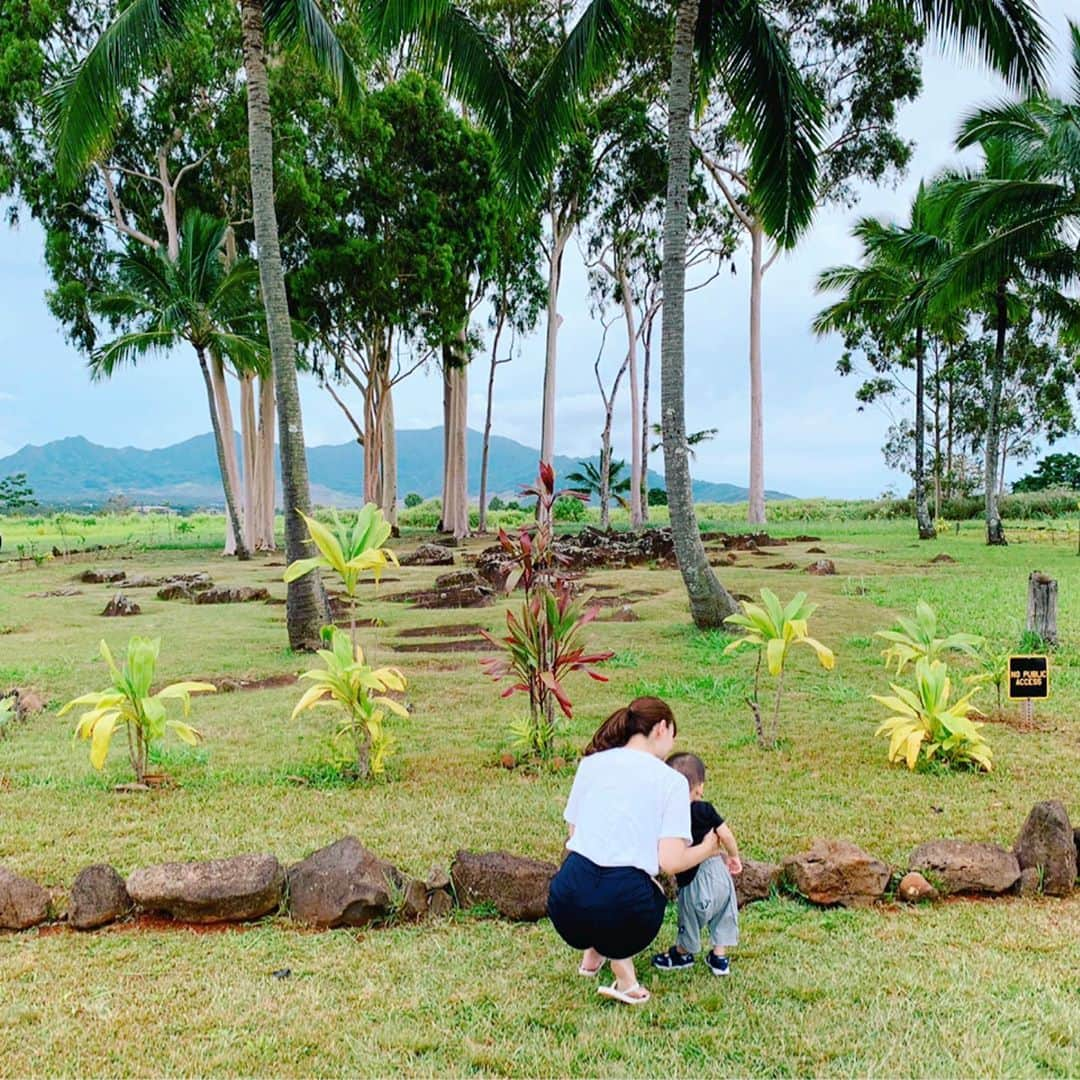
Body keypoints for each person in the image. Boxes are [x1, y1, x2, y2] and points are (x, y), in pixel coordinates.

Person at [546, 697, 722, 1006]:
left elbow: (575, 833)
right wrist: (708, 849)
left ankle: (592, 953)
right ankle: (623, 973)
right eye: (673, 735)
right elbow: (670, 862)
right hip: (624, 908)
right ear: (662, 728)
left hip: (566, 904)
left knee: (602, 879)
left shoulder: (592, 763)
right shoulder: (671, 781)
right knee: (646, 886)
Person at [651, 752, 742, 976]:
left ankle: (682, 953)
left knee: (689, 920)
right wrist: (734, 856)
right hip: (721, 876)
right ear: (699, 788)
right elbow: (727, 835)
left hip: (694, 882)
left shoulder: (670, 816)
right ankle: (719, 958)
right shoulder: (705, 809)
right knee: (724, 915)